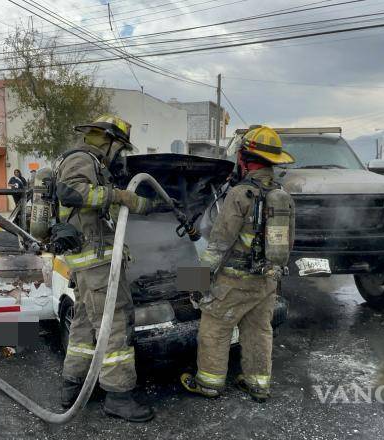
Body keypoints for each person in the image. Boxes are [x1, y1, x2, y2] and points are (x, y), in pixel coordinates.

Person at [56, 114, 167, 423]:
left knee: (83, 327)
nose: (120, 155)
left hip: (89, 263)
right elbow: (71, 192)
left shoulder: (95, 165)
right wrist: (120, 194)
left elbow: (110, 206)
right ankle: (118, 397)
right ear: (109, 141)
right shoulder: (82, 159)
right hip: (96, 264)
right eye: (120, 148)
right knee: (114, 325)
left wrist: (150, 205)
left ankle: (72, 386)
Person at [181, 125, 295, 403]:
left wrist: (194, 282)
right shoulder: (283, 196)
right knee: (259, 330)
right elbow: (287, 244)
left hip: (233, 280)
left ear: (244, 158)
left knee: (215, 326)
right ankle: (258, 384)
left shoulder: (240, 194)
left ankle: (208, 383)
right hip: (266, 281)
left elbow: (218, 244)